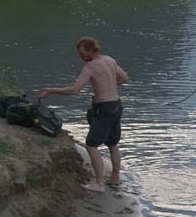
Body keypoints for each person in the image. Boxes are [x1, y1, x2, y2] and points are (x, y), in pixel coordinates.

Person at [39, 37, 129, 193]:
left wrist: (53, 90)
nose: (80, 57)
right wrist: (108, 86)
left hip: (105, 108)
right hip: (116, 105)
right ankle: (115, 178)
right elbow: (125, 77)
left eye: (82, 53)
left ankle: (99, 183)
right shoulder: (109, 60)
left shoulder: (90, 67)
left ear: (89, 50)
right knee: (112, 143)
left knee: (91, 145)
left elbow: (75, 90)